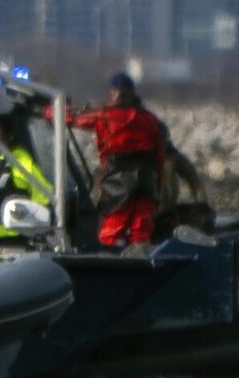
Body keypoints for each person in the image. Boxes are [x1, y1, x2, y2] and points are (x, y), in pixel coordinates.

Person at [57, 72, 169, 248]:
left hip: (119, 180)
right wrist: (159, 186)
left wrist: (51, 110)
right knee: (141, 226)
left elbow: (71, 118)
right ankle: (139, 258)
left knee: (113, 225)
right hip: (147, 179)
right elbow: (160, 157)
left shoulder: (106, 116)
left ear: (113, 93)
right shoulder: (150, 120)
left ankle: (108, 259)